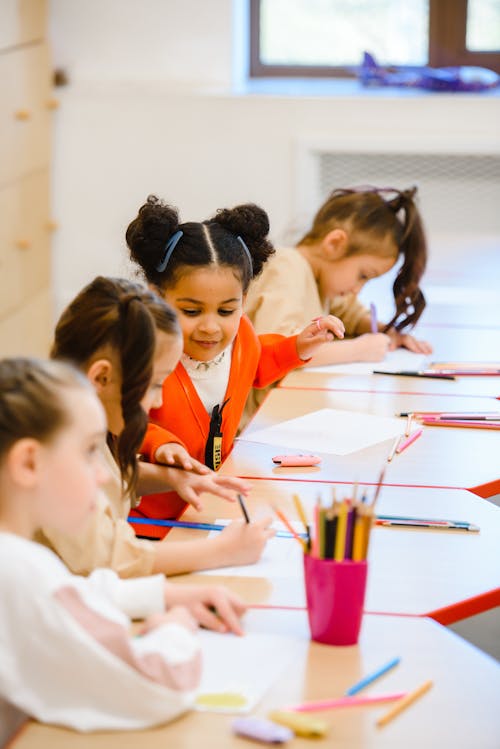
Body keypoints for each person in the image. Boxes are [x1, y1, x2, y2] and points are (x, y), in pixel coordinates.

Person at [0, 357, 205, 740]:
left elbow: (66, 597)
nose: (100, 474)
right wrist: (174, 629)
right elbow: (160, 685)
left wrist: (162, 594)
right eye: (89, 451)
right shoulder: (18, 568)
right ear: (28, 462)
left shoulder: (18, 559)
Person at [125, 196, 345, 533]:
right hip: (150, 524)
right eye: (192, 311)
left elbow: (256, 365)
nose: (212, 327)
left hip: (212, 508)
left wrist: (299, 345)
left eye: (227, 310)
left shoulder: (240, 333)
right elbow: (122, 418)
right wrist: (159, 443)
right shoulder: (144, 350)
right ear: (156, 296)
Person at [41, 276, 274, 574]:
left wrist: (174, 479)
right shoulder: (58, 448)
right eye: (154, 385)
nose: (159, 401)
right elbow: (107, 559)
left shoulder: (76, 420)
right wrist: (222, 550)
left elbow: (109, 482)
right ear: (101, 378)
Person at [243, 186, 433, 421]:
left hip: (274, 413)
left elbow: (349, 313)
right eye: (363, 275)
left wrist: (385, 331)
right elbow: (279, 348)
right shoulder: (288, 266)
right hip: (250, 423)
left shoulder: (322, 280)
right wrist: (357, 350)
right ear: (334, 243)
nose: (358, 289)